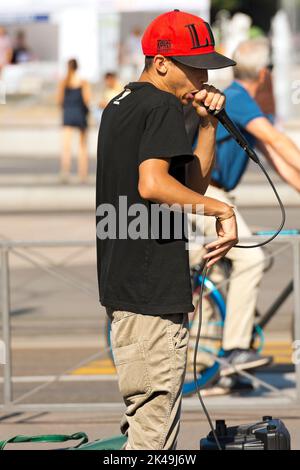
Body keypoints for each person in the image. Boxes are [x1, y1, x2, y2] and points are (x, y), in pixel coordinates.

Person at [96, 10, 238, 450]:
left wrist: (208, 123)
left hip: (125, 287)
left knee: (144, 426)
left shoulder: (122, 103)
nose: (204, 74)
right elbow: (153, 185)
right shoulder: (159, 106)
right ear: (161, 62)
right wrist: (222, 211)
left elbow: (190, 184)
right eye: (194, 64)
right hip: (150, 293)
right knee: (153, 439)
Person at [188, 38, 300, 379]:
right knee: (251, 257)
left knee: (223, 273)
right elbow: (280, 141)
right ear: (265, 73)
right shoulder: (237, 99)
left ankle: (218, 370)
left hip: (213, 194)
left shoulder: (242, 102)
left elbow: (276, 158)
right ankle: (236, 349)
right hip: (205, 194)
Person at [56, 58, 91, 183]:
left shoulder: (63, 82)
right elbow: (87, 99)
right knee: (82, 146)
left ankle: (65, 172)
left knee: (66, 146)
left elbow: (59, 100)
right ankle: (83, 173)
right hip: (80, 113)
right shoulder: (83, 82)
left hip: (68, 113)